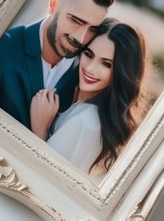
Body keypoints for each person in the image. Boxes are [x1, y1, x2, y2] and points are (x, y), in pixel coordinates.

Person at [0, 0, 115, 130]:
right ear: (54, 5)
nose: (81, 38)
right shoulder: (2, 47)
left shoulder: (87, 74)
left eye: (92, 29)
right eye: (76, 20)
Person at [30, 20, 147, 176]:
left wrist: (40, 131)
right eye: (89, 54)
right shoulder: (86, 109)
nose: (90, 69)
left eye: (106, 64)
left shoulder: (86, 121)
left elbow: (42, 176)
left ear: (121, 72)